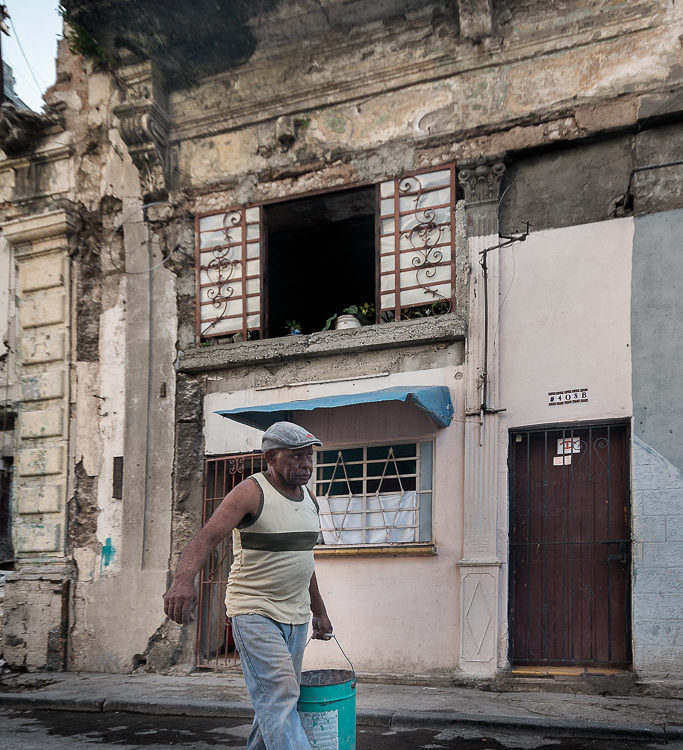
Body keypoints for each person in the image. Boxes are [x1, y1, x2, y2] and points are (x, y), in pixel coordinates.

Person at [163, 421, 333, 750]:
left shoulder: (309, 498)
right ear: (271, 457)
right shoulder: (250, 492)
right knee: (282, 695)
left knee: (275, 703)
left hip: (296, 617)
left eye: (308, 456)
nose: (305, 464)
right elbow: (205, 538)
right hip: (255, 612)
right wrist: (183, 579)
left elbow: (303, 561)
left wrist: (319, 612)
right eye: (296, 456)